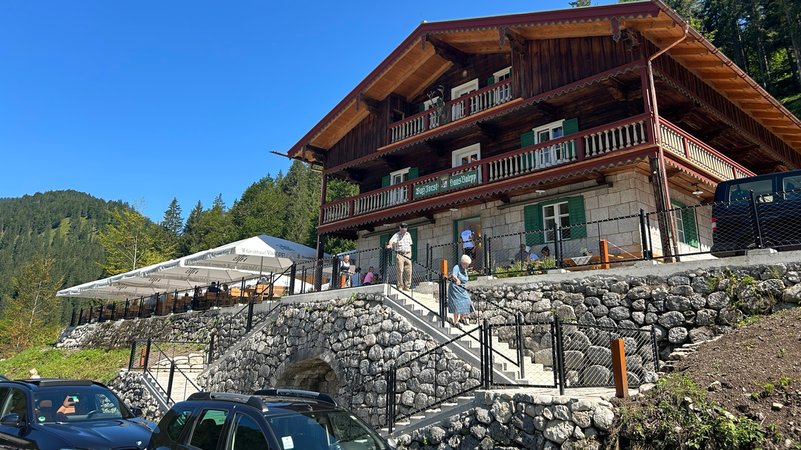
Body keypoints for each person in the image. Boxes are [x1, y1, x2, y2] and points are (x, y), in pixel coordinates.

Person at [386, 222, 413, 290]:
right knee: (400, 270)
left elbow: (410, 244)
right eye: (402, 230)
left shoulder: (408, 234)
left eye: (405, 230)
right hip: (400, 254)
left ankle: (407, 286)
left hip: (407, 254)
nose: (404, 231)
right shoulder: (396, 235)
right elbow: (391, 241)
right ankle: (400, 285)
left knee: (409, 270)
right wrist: (390, 245)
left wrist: (410, 253)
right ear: (400, 228)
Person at [448, 254, 473, 326]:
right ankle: (455, 322)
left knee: (467, 301)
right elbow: (453, 275)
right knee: (457, 304)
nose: (468, 266)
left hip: (462, 288)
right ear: (463, 263)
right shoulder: (457, 267)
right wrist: (457, 279)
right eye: (467, 264)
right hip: (455, 288)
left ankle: (462, 318)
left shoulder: (465, 270)